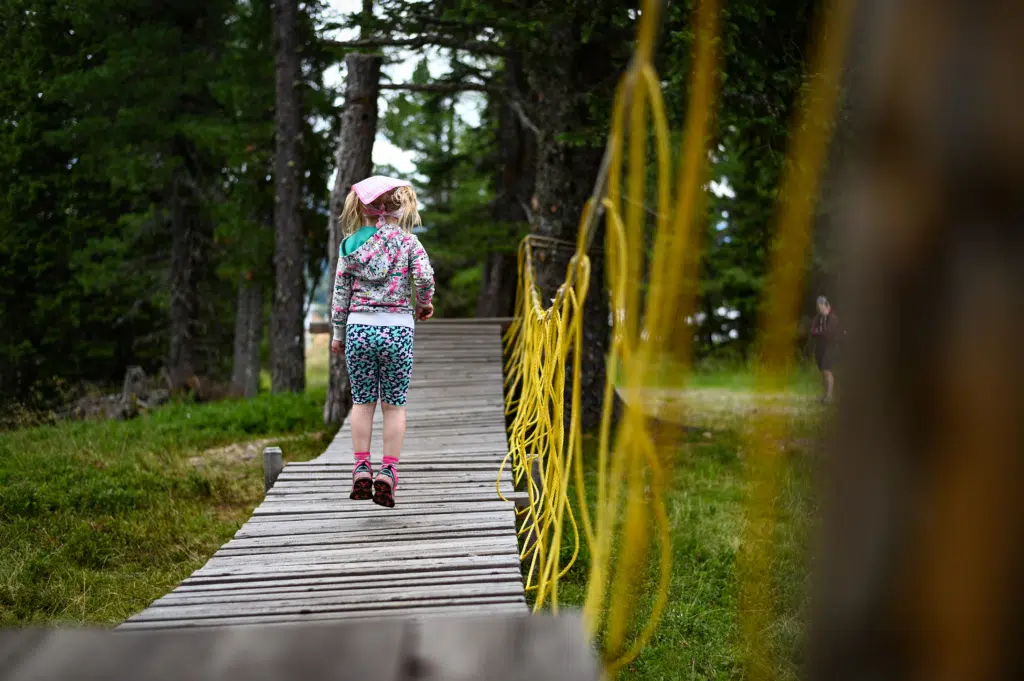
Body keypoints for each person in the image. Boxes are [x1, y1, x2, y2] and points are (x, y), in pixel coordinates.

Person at [330, 176, 435, 508]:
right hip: (398, 330)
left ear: (361, 208)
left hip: (359, 328)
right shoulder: (408, 243)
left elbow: (340, 293)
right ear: (399, 207)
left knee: (362, 403)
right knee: (394, 405)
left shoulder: (349, 245)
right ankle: (388, 473)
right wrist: (424, 303)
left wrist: (338, 333)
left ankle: (361, 467)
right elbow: (424, 277)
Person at [810, 295, 841, 404]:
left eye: (821, 305)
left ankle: (830, 396)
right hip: (821, 347)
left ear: (826, 305)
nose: (820, 308)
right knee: (823, 371)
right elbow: (813, 331)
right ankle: (825, 395)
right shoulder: (818, 318)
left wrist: (820, 332)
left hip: (831, 346)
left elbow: (829, 333)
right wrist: (820, 333)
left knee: (827, 370)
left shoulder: (833, 318)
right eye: (818, 306)